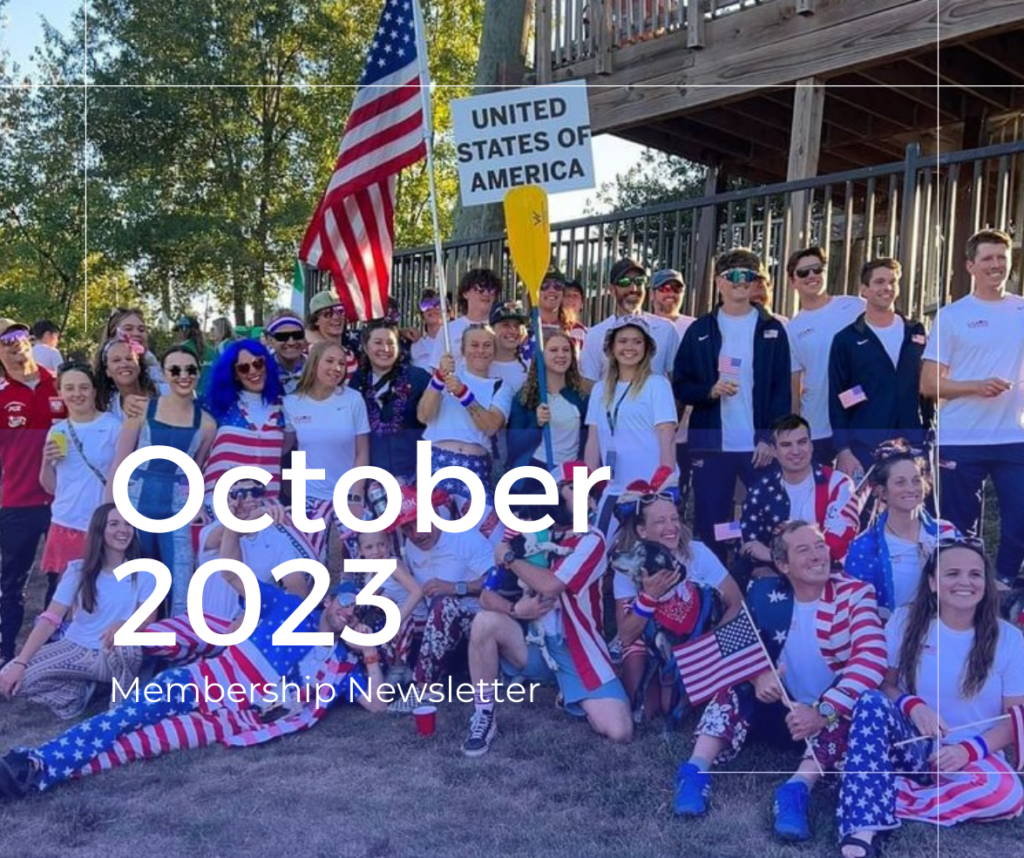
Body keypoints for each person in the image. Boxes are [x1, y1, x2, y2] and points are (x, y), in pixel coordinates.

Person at [0, 578, 389, 799]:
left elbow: (377, 706)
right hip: (201, 681)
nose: (349, 612)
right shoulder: (290, 608)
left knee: (137, 746)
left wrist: (369, 655)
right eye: (347, 601)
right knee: (123, 718)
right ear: (329, 599)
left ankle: (37, 773)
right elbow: (233, 573)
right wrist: (237, 524)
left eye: (358, 612)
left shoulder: (341, 667)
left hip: (232, 718)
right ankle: (34, 761)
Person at [674, 522, 885, 843]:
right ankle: (695, 771)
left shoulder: (855, 593)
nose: (817, 556)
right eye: (804, 550)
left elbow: (872, 658)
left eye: (820, 546)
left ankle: (796, 790)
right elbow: (731, 647)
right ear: (783, 564)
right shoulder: (764, 593)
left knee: (855, 704)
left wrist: (823, 711)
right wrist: (757, 675)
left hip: (825, 716)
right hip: (779, 709)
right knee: (734, 684)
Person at [837, 538, 1024, 858]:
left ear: (986, 584)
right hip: (913, 745)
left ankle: (879, 791)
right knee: (869, 700)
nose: (964, 582)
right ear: (933, 583)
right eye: (952, 573)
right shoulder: (904, 622)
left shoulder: (1009, 638)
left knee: (1007, 795)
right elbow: (883, 684)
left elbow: (1016, 718)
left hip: (974, 755)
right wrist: (913, 706)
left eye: (975, 574)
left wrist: (967, 751)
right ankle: (863, 825)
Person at [462, 462, 633, 756]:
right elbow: (487, 597)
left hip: (576, 652)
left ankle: (568, 692)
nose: (586, 500)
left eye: (589, 494)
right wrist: (516, 609)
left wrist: (510, 558)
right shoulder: (528, 532)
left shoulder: (592, 539)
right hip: (533, 646)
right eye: (574, 489)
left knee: (620, 731)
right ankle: (484, 714)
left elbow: (551, 585)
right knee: (484, 622)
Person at [922, 228, 1024, 590]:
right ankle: (962, 590)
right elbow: (929, 384)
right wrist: (976, 386)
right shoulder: (952, 316)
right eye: (987, 258)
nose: (996, 265)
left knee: (1020, 518)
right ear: (970, 265)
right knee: (958, 527)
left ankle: (1003, 582)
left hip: (1014, 437)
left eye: (1002, 258)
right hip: (961, 437)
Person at [673, 248, 791, 560]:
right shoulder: (700, 330)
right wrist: (709, 390)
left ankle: (761, 578)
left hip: (758, 448)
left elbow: (781, 391)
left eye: (750, 276)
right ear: (719, 282)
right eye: (735, 275)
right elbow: (682, 385)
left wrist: (770, 438)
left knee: (769, 520)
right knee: (712, 522)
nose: (742, 282)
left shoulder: (773, 328)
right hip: (712, 447)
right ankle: (716, 582)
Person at [0, 504, 153, 719]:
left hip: (112, 652)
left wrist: (125, 624)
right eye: (114, 524)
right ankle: (77, 692)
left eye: (128, 524)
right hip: (76, 647)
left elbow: (148, 620)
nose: (123, 530)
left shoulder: (145, 573)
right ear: (99, 529)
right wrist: (20, 662)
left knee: (127, 644)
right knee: (9, 679)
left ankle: (120, 709)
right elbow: (50, 619)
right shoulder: (78, 570)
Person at [612, 491, 742, 721]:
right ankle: (623, 673)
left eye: (674, 519)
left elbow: (737, 602)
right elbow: (627, 635)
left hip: (695, 639)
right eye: (660, 521)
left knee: (670, 706)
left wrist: (710, 648)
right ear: (642, 530)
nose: (671, 527)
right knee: (643, 711)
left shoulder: (697, 553)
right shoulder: (629, 564)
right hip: (646, 640)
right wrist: (649, 597)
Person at [106, 346, 216, 616]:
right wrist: (108, 509)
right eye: (175, 370)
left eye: (190, 369)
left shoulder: (207, 424)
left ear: (198, 373)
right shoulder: (142, 410)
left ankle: (175, 638)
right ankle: (127, 639)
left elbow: (195, 470)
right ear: (164, 374)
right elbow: (120, 461)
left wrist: (196, 504)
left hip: (177, 509)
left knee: (180, 582)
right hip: (135, 504)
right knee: (134, 578)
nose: (183, 375)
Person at [0, 318, 68, 665]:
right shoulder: (1, 395)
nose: (14, 343)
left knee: (63, 580)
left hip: (63, 502)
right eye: (5, 340)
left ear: (29, 339)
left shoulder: (59, 384)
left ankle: (52, 651)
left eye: (18, 334)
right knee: (12, 582)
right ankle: (5, 652)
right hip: (17, 502)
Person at [829, 258, 931, 476]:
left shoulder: (916, 331)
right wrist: (843, 450)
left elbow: (927, 385)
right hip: (866, 445)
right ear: (864, 289)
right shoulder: (846, 339)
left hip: (912, 443)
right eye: (879, 282)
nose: (887, 288)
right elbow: (838, 397)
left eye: (892, 282)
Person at [584, 316, 677, 540]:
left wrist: (660, 491)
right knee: (598, 549)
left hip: (650, 492)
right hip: (613, 490)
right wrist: (585, 492)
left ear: (647, 348)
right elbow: (593, 443)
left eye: (637, 341)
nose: (630, 347)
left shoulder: (657, 385)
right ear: (611, 347)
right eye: (623, 341)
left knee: (648, 555)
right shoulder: (599, 390)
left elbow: (668, 441)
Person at [845, 440, 958, 618]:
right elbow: (858, 611)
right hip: (890, 633)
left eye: (916, 481)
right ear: (881, 491)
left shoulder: (948, 533)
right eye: (900, 482)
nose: (911, 489)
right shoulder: (865, 548)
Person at [737, 415, 859, 580]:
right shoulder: (760, 491)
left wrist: (774, 556)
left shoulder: (838, 484)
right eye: (786, 445)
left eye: (802, 442)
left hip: (828, 577)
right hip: (776, 580)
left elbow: (836, 547)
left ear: (811, 445)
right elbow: (751, 548)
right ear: (773, 451)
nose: (796, 451)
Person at [38, 362, 121, 603]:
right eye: (69, 388)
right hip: (66, 521)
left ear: (94, 391)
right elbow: (50, 487)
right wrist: (46, 461)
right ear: (60, 393)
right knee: (63, 595)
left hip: (101, 524)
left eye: (84, 387)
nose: (77, 394)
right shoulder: (58, 431)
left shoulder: (113, 426)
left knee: (102, 594)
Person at [393, 487, 490, 687]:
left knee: (444, 604)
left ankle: (423, 688)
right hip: (434, 631)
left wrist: (457, 587)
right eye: (407, 529)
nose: (416, 534)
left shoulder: (465, 537)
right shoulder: (411, 546)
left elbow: (498, 581)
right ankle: (390, 677)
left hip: (477, 627)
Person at [283, 341, 370, 550]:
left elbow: (362, 452)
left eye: (341, 363)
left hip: (347, 495)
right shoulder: (291, 403)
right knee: (309, 560)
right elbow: (284, 448)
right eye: (329, 361)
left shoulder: (353, 399)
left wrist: (355, 497)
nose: (336, 368)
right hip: (309, 497)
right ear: (314, 363)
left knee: (361, 557)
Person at [787, 246, 865, 466]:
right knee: (819, 486)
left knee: (857, 486)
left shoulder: (856, 306)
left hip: (857, 418)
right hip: (817, 423)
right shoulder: (792, 328)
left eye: (817, 269)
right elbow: (794, 384)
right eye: (803, 272)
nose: (812, 275)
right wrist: (794, 428)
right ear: (792, 281)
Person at [418, 325, 512, 505]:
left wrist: (463, 394)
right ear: (463, 350)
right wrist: (438, 379)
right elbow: (423, 416)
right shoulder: (445, 376)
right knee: (433, 522)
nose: (480, 350)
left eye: (487, 345)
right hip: (435, 461)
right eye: (474, 345)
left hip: (475, 466)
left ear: (494, 351)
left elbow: (491, 427)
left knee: (479, 523)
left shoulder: (501, 387)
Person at [202, 339, 287, 500]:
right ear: (234, 374)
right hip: (218, 504)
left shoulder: (284, 408)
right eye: (243, 368)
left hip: (265, 507)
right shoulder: (214, 407)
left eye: (258, 363)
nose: (253, 371)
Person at [348, 320, 429, 485]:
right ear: (366, 347)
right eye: (378, 342)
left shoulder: (419, 378)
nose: (385, 349)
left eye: (391, 343)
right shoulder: (356, 383)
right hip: (371, 479)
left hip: (413, 477)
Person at [579, 258, 680, 387]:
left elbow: (678, 381)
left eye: (639, 281)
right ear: (612, 290)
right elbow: (588, 386)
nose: (633, 288)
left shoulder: (666, 330)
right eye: (624, 282)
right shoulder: (595, 334)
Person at [506, 330, 588, 476]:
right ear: (541, 356)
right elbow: (514, 446)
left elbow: (588, 443)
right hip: (535, 471)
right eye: (553, 350)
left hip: (570, 473)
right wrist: (536, 424)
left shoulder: (581, 398)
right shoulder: (525, 398)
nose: (561, 355)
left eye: (566, 350)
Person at [650, 268, 696, 507]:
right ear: (652, 294)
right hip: (651, 423)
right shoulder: (643, 325)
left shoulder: (695, 326)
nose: (670, 293)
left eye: (677, 288)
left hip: (686, 423)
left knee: (682, 486)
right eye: (664, 288)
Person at [427, 269, 502, 369]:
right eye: (480, 289)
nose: (486, 293)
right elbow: (436, 368)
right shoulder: (448, 330)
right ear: (465, 293)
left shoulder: (501, 328)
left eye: (491, 289)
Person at [93, 335, 157, 421]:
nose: (124, 364)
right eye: (116, 360)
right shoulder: (107, 408)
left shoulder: (165, 392)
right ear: (107, 371)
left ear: (139, 366)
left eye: (129, 358)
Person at [102, 307, 164, 391]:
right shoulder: (97, 383)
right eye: (128, 329)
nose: (137, 333)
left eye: (141, 330)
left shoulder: (158, 370)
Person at [304, 290, 358, 379]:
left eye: (340, 311)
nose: (336, 317)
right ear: (316, 320)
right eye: (328, 314)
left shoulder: (351, 352)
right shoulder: (308, 354)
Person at [488, 301, 530, 394]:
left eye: (517, 325)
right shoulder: (478, 366)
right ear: (492, 329)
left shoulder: (531, 368)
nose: (512, 330)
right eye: (505, 325)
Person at [263, 310, 307, 394]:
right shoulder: (261, 370)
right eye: (282, 336)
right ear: (270, 340)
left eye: (297, 335)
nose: (291, 342)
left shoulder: (317, 367)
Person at [407, 288, 447, 370]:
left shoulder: (456, 342)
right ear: (422, 315)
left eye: (437, 304)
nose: (432, 308)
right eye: (426, 305)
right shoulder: (415, 345)